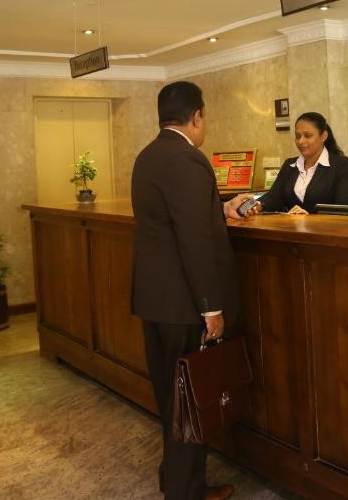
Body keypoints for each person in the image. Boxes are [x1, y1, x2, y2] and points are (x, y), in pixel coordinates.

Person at [130, 81, 251, 500]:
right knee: (189, 404)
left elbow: (174, 216)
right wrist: (211, 307)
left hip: (155, 301)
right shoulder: (188, 158)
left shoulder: (149, 156)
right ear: (196, 116)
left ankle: (186, 485)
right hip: (185, 305)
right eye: (205, 118)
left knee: (173, 400)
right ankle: (183, 494)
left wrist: (220, 207)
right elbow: (194, 240)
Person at [254, 111, 348, 214]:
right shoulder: (290, 165)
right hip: (290, 229)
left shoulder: (341, 165)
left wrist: (310, 218)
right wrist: (257, 205)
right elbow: (274, 197)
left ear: (324, 136)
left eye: (308, 136)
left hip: (325, 230)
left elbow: (345, 208)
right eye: (298, 136)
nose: (300, 141)